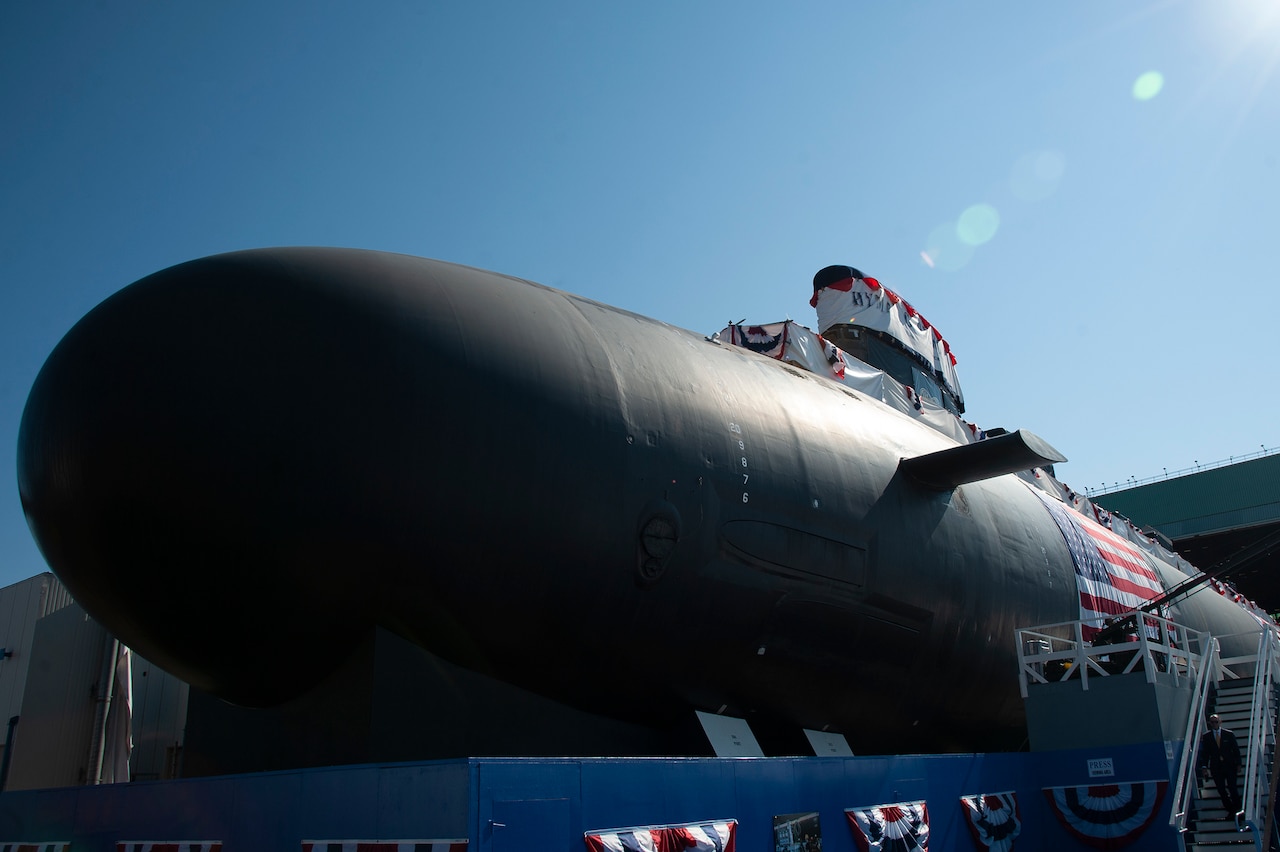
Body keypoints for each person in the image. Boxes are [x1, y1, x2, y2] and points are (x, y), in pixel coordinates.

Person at [1198, 714, 1242, 819]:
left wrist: (1238, 764)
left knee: (1232, 788)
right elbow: (1205, 754)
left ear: (1220, 722)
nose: (1214, 724)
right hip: (1216, 767)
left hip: (1229, 765)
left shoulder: (1228, 734)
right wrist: (1204, 767)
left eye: (1215, 722)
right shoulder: (1207, 737)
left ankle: (1238, 808)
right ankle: (1230, 809)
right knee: (1221, 790)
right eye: (1211, 722)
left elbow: (1236, 750)